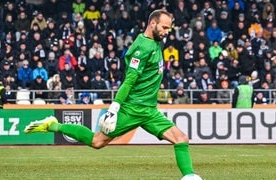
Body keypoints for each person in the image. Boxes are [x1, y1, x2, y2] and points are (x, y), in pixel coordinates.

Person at [24, 10, 200, 179]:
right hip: (133, 109)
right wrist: (114, 108)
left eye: (169, 28)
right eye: (164, 28)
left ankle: (190, 176)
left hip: (150, 111)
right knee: (97, 142)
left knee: (181, 139)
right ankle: (54, 125)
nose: (167, 32)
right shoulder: (142, 48)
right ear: (152, 23)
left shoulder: (154, 42)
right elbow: (129, 81)